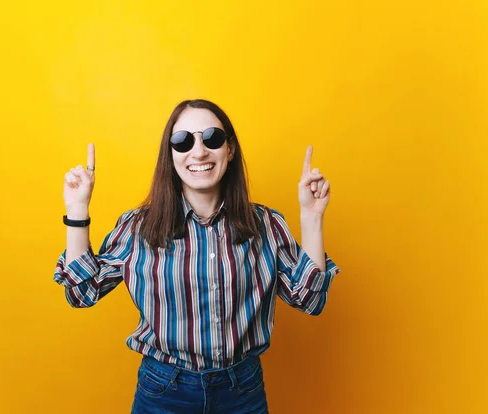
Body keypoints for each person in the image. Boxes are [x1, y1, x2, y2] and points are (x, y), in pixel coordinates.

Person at [53, 99, 341, 413]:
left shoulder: (266, 225)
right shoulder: (138, 227)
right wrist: (77, 210)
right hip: (164, 392)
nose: (199, 151)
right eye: (183, 141)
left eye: (212, 138)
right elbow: (81, 293)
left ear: (229, 150)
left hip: (242, 392)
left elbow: (310, 300)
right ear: (171, 156)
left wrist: (312, 217)